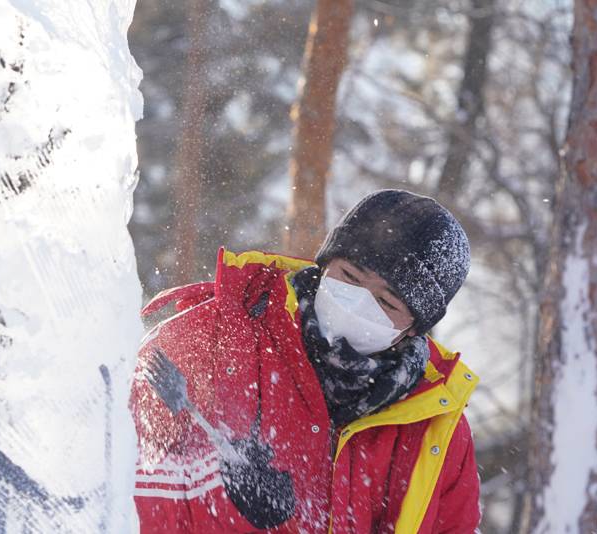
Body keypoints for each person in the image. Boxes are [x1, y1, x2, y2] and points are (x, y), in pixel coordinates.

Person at [129, 189, 481, 533]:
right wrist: (215, 483)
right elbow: (115, 479)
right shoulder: (211, 337)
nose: (357, 304)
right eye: (350, 277)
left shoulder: (434, 424)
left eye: (386, 303)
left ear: (413, 329)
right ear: (325, 264)